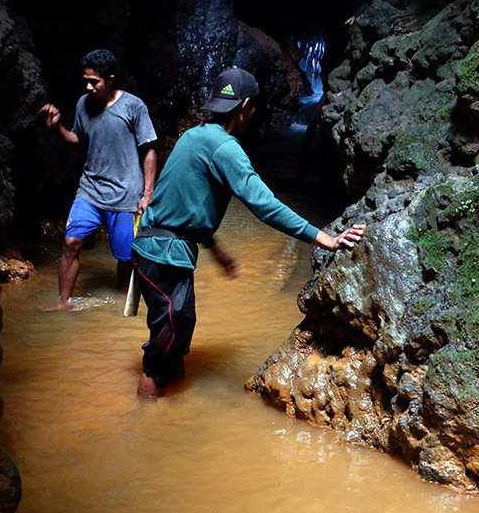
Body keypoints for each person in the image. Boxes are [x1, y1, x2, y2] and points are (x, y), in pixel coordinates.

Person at [131, 67, 366, 397]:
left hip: (154, 251)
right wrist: (322, 237)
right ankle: (142, 427)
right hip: (164, 256)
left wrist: (216, 248)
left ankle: (170, 421)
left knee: (178, 335)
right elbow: (265, 205)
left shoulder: (193, 135)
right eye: (254, 107)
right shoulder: (226, 147)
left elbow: (181, 205)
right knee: (162, 350)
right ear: (245, 106)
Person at [40, 49, 157, 309]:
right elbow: (78, 139)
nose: (88, 86)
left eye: (95, 81)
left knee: (126, 258)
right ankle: (63, 304)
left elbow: (149, 150)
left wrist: (147, 194)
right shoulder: (84, 104)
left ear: (111, 80)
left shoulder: (134, 106)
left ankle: (121, 310)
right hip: (90, 190)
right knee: (71, 243)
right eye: (86, 80)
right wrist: (56, 128)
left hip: (126, 194)